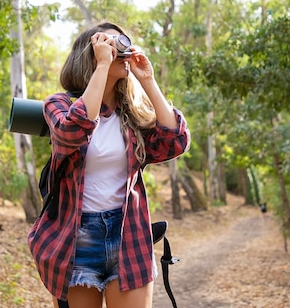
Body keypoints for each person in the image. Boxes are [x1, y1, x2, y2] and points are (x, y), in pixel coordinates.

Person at [28, 21, 191, 308]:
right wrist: (102, 67)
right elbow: (71, 133)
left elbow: (174, 141)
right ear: (90, 56)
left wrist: (148, 80)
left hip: (128, 233)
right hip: (76, 241)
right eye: (111, 46)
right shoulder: (59, 104)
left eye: (123, 45)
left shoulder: (132, 116)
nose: (122, 53)